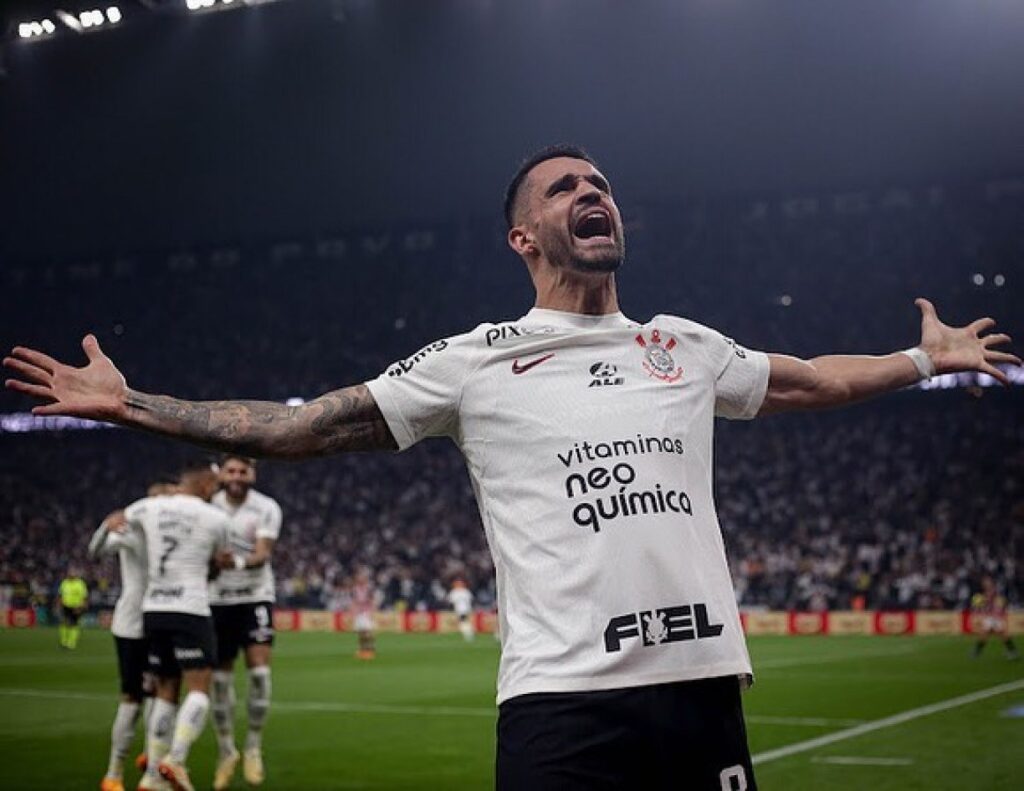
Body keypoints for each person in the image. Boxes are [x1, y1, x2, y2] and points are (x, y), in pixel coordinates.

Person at [4, 145, 1019, 790]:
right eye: (566, 186)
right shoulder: (474, 359)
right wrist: (132, 404)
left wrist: (924, 356)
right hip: (561, 705)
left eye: (602, 184)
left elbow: (814, 379)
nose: (594, 192)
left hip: (701, 687)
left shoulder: (682, 344)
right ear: (523, 235)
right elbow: (300, 426)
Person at [124, 463, 231, 791]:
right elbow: (216, 567)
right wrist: (218, 565)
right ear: (206, 483)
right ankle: (176, 759)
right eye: (216, 485)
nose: (217, 490)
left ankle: (153, 775)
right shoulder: (216, 518)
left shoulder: (148, 507)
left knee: (165, 691)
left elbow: (121, 519)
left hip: (154, 609)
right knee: (199, 689)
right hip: (190, 609)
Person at [207, 454, 282, 790]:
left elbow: (262, 554)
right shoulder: (208, 506)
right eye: (231, 470)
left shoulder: (266, 507)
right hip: (217, 599)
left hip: (255, 596)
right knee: (219, 681)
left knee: (260, 675)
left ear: (253, 474)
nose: (237, 476)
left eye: (243, 471)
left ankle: (253, 746)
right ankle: (226, 751)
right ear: (221, 474)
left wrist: (233, 562)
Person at [970, 576, 1020, 660]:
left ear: (990, 583)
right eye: (984, 582)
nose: (985, 583)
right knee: (986, 634)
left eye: (987, 582)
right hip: (990, 616)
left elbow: (995, 601)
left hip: (995, 616)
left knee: (1001, 634)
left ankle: (1013, 651)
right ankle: (1012, 651)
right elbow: (984, 603)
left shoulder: (994, 591)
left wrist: (982, 600)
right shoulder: (986, 592)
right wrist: (979, 603)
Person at [57, 565, 89, 650]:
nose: (71, 574)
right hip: (65, 606)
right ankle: (63, 641)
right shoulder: (64, 583)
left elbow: (84, 597)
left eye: (73, 573)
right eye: (70, 572)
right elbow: (60, 595)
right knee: (64, 623)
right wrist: (59, 604)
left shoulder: (80, 584)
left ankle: (71, 643)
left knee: (74, 625)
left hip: (76, 607)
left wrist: (81, 607)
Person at [350, 569, 377, 660]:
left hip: (366, 612)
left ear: (365, 580)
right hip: (358, 612)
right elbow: (354, 601)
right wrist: (352, 612)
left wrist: (372, 612)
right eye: (359, 579)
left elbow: (372, 601)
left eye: (362, 579)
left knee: (368, 632)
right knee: (360, 633)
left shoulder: (369, 589)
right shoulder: (355, 589)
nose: (360, 580)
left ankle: (370, 648)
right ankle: (362, 650)